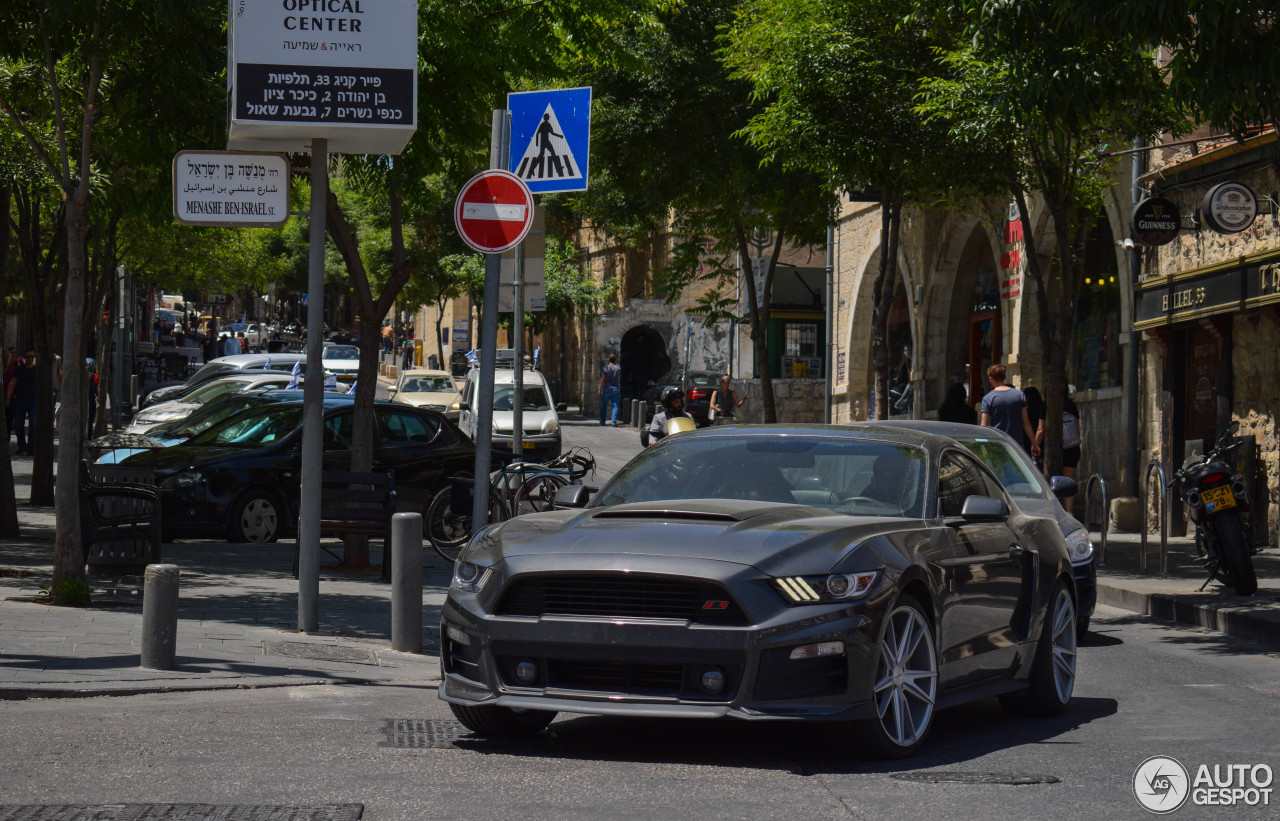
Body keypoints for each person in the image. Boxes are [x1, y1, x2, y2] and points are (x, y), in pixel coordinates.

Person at [979, 363, 1037, 455]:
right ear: (1004, 377)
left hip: (997, 444)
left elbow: (984, 426)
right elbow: (1026, 423)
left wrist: (983, 445)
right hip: (1016, 444)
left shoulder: (988, 398)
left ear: (990, 379)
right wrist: (1034, 443)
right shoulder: (1019, 395)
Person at [9, 348, 38, 456]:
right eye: (28, 357)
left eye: (32, 357)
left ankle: (31, 448)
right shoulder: (19, 370)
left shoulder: (37, 370)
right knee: (18, 425)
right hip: (20, 400)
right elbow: (12, 383)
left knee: (33, 425)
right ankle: (21, 446)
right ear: (24, 358)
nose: (30, 359)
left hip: (33, 401)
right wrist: (8, 398)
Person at [598, 353, 621, 426]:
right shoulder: (618, 369)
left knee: (604, 405)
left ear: (608, 360)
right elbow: (618, 379)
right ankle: (614, 421)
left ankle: (603, 421)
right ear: (615, 361)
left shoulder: (605, 368)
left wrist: (600, 389)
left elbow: (602, 380)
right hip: (615, 389)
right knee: (615, 405)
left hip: (607, 389)